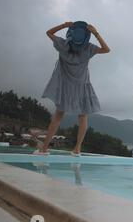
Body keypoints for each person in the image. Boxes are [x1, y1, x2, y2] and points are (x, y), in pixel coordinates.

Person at [33, 21, 110, 156]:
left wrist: (64, 25)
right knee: (83, 116)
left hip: (66, 87)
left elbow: (49, 33)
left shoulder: (63, 45)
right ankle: (77, 149)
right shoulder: (88, 49)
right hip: (82, 86)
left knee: (58, 116)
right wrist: (95, 33)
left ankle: (44, 149)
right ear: (86, 37)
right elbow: (106, 49)